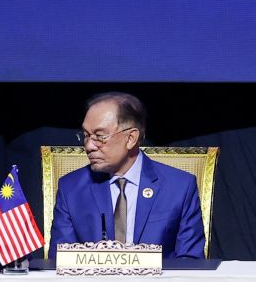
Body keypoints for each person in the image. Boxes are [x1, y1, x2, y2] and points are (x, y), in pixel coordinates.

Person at [50, 92, 205, 258]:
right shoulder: (71, 188)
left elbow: (190, 262)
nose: (89, 146)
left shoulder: (180, 187)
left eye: (100, 136)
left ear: (131, 138)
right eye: (86, 135)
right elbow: (61, 261)